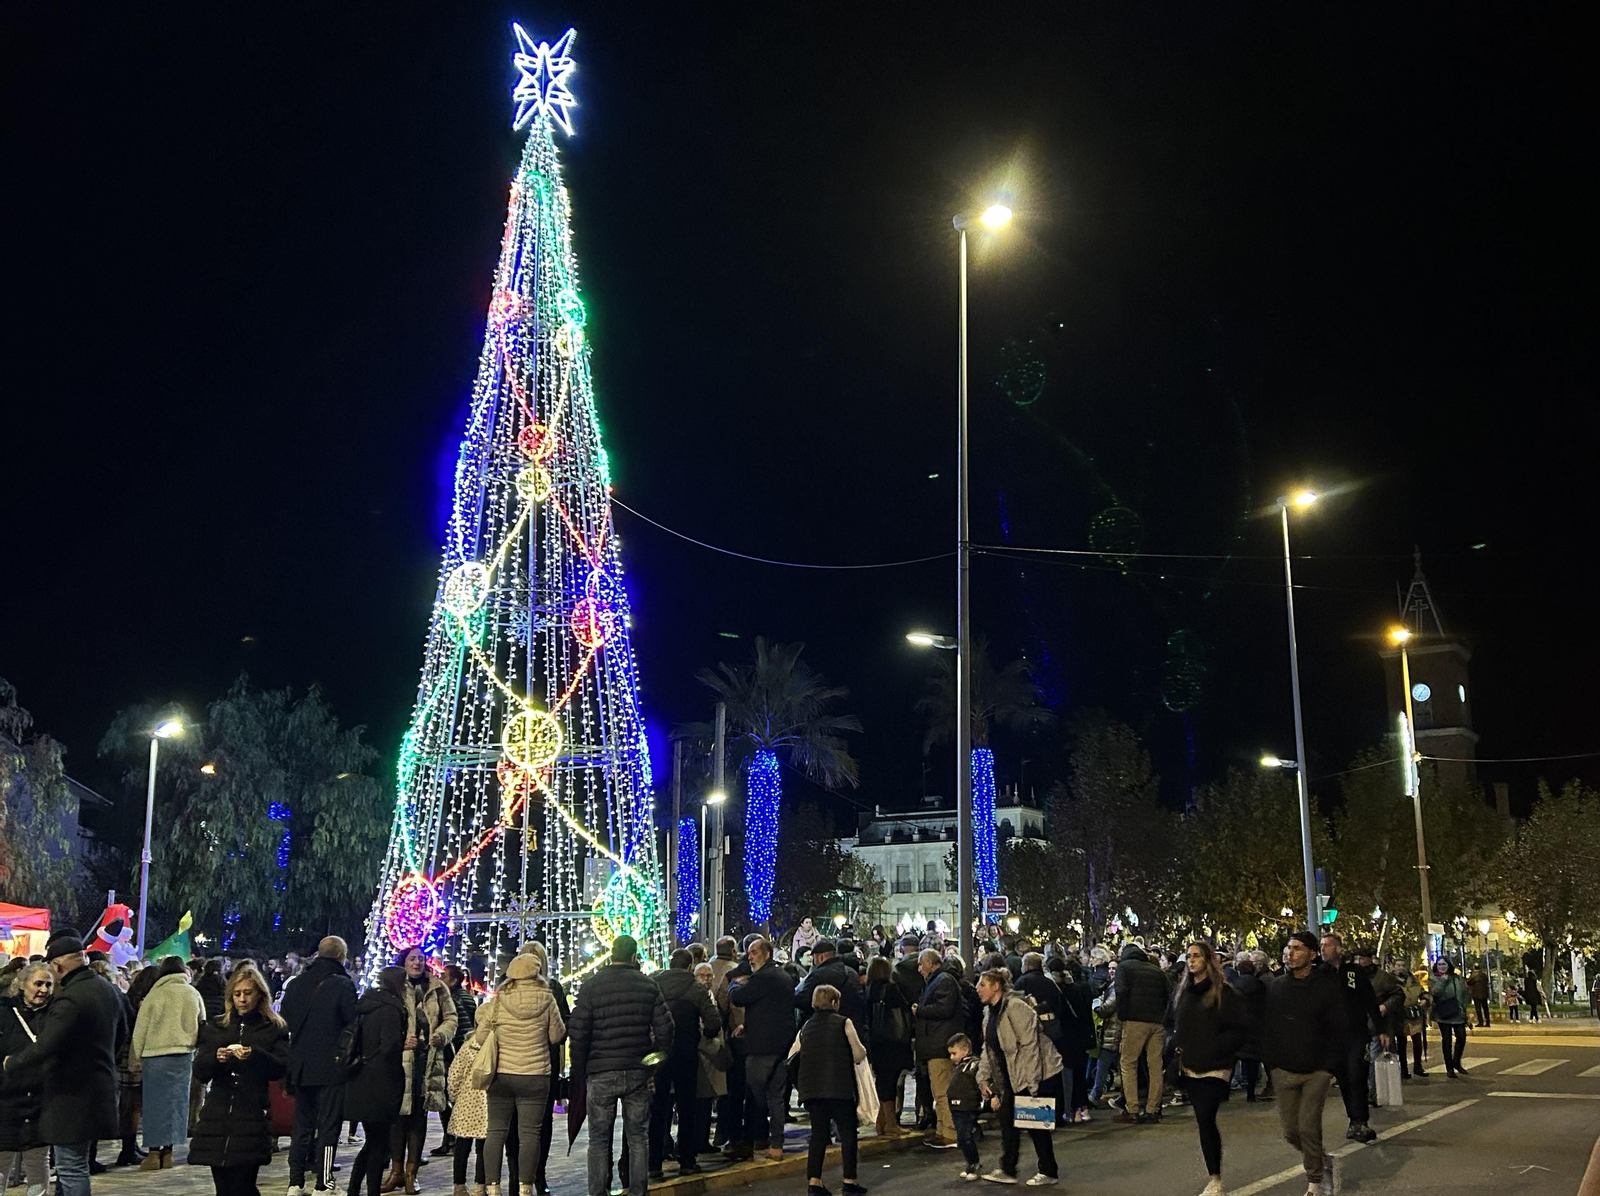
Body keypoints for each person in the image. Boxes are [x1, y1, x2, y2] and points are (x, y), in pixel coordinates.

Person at [1, 929, 123, 1196]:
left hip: (72, 1096)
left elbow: (47, 1045)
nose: (48, 986)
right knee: (74, 1164)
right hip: (99, 1091)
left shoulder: (71, 998)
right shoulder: (108, 989)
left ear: (57, 965)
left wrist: (12, 1063)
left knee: (71, 1168)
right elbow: (122, 1034)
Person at [568, 935, 673, 1196]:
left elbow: (578, 1032)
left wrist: (580, 1071)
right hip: (636, 1069)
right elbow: (666, 1030)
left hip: (600, 1070)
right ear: (634, 956)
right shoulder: (648, 985)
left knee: (599, 1139)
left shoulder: (592, 986)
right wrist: (653, 1063)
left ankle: (598, 1191)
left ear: (611, 952)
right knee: (638, 1137)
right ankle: (638, 1191)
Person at [188, 962, 290, 1195]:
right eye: (237, 994)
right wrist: (217, 1057)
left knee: (243, 1187)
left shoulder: (272, 1028)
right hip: (218, 1114)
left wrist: (255, 1055)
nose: (242, 999)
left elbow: (281, 1067)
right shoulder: (217, 1026)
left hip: (251, 1114)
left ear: (259, 995)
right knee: (223, 1188)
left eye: (247, 993)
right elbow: (201, 1071)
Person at [472, 950, 564, 1196]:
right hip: (535, 1075)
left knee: (495, 1132)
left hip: (501, 1075)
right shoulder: (548, 997)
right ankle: (525, 1188)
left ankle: (492, 1187)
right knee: (530, 1134)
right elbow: (556, 1036)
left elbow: (481, 1037)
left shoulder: (499, 999)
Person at [1263, 931, 1344, 1196]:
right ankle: (1322, 1159)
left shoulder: (1326, 987)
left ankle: (1316, 1180)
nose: (1290, 952)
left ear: (1312, 954)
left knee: (1308, 1126)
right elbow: (1268, 1026)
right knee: (1290, 1130)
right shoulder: (1276, 987)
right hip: (1284, 1069)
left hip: (1317, 1069)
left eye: (1297, 948)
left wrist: (1331, 1067)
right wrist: (1271, 1062)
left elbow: (1339, 1028)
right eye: (1288, 948)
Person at [281, 936, 359, 1196]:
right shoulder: (342, 985)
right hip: (331, 1067)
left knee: (301, 1127)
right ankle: (324, 1183)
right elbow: (352, 1024)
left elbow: (287, 1020)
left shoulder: (297, 984)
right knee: (328, 1127)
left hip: (300, 1065)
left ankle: (295, 1183)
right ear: (341, 956)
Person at [1170, 941, 1247, 1196]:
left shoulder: (1223, 993)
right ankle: (1214, 1176)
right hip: (1190, 1066)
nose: (1192, 961)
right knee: (1203, 1120)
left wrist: (1216, 1048)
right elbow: (1177, 1026)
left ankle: (1215, 1178)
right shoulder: (1184, 993)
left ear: (1208, 960)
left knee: (1205, 1116)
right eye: (1189, 956)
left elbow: (1238, 1030)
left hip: (1214, 1067)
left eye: (1197, 956)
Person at [974, 968, 1061, 1186]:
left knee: (1036, 1125)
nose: (977, 989)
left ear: (996, 986)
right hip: (1010, 1076)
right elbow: (990, 1049)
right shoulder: (990, 1013)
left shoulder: (1015, 1008)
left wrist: (1031, 1083)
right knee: (1008, 1122)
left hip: (1034, 1073)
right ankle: (1008, 1168)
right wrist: (982, 1078)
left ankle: (1048, 1171)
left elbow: (1031, 1047)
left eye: (982, 984)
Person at [385, 947, 458, 1193]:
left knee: (419, 1116)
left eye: (420, 959)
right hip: (400, 1060)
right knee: (397, 1117)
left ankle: (410, 1173)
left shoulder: (437, 988)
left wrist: (441, 1035)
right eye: (412, 959)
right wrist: (399, 1040)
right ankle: (395, 1171)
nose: (417, 962)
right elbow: (384, 1018)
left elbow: (451, 1018)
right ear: (403, 962)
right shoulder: (395, 985)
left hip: (428, 1061)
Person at [787, 985, 868, 1196]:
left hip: (813, 1091)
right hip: (840, 1089)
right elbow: (858, 1054)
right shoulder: (844, 1023)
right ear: (834, 1003)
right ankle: (849, 1180)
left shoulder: (806, 1027)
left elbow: (791, 1057)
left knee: (818, 1136)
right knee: (848, 1133)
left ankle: (814, 1182)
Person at [129, 953, 205, 1171]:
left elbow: (140, 1030)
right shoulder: (193, 994)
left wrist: (135, 1059)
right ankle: (169, 1152)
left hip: (155, 1056)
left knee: (154, 1105)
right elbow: (203, 1024)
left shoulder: (155, 995)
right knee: (176, 1105)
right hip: (184, 1055)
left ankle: (153, 1153)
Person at [649, 949, 718, 1180]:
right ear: (690, 966)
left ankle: (654, 1163)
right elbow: (713, 1021)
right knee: (687, 1106)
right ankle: (687, 1160)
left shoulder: (654, 984)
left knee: (658, 1107)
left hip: (659, 1052)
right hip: (687, 1052)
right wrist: (703, 1034)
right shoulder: (696, 989)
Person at [726, 937, 794, 1163]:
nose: (750, 957)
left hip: (762, 1049)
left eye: (754, 952)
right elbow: (772, 1011)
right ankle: (775, 1144)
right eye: (748, 953)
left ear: (767, 954)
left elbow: (739, 997)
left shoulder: (763, 977)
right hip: (781, 1046)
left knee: (754, 1098)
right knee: (775, 1098)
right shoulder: (783, 977)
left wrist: (735, 983)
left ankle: (751, 1141)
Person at [345, 968, 410, 1196]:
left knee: (372, 1140)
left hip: (360, 1077)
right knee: (378, 1143)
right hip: (381, 1081)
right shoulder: (391, 1009)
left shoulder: (366, 1004)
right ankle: (371, 1191)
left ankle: (354, 1189)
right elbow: (390, 1046)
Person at [0, 962, 54, 1196]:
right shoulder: (4, 1013)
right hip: (6, 1098)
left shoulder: (55, 1016)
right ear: (23, 985)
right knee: (2, 1160)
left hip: (41, 1100)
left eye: (48, 984)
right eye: (38, 983)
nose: (43, 989)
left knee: (38, 1159)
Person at [1113, 941, 1171, 1124]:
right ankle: (1153, 1110)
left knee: (1128, 1063)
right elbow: (1168, 996)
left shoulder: (1124, 968)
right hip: (1157, 1022)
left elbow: (1121, 992)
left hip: (1135, 1021)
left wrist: (1123, 1016)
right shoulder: (1156, 971)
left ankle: (1132, 1109)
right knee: (1155, 1066)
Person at [912, 948, 964, 1150]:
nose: (919, 969)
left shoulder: (943, 981)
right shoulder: (939, 981)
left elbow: (944, 1008)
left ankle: (949, 1133)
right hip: (936, 1044)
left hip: (939, 1045)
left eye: (921, 964)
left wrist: (920, 1010)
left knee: (942, 1092)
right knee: (939, 1092)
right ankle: (942, 1131)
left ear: (932, 963)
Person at [864, 956, 912, 1138]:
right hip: (892, 1042)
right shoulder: (890, 989)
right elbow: (904, 1010)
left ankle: (881, 1122)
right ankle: (890, 1124)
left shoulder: (870, 990)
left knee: (882, 1081)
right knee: (890, 1082)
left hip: (876, 1043)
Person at [435, 964, 478, 1160]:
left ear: (452, 981)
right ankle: (452, 1138)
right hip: (465, 1051)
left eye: (443, 976)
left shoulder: (452, 999)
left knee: (449, 1095)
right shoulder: (466, 996)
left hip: (455, 1052)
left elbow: (460, 1027)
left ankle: (451, 1139)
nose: (440, 978)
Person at [797, 939, 866, 1033]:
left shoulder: (818, 975)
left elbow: (804, 1000)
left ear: (820, 957)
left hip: (826, 1029)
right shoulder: (851, 972)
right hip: (853, 1027)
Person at [944, 1034, 984, 1180]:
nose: (951, 1057)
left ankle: (974, 1164)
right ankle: (971, 1163)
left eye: (954, 1053)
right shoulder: (959, 1067)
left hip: (967, 1106)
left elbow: (982, 1081)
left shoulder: (974, 1065)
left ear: (965, 1050)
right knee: (962, 1137)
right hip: (956, 1106)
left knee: (965, 1136)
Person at [1430, 958, 1470, 1078]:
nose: (1442, 966)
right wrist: (1442, 980)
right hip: (1444, 1013)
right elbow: (1435, 992)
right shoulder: (1434, 978)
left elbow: (1464, 993)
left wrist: (1464, 1008)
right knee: (1446, 1041)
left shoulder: (1457, 978)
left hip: (1458, 1012)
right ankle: (1449, 1068)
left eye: (1444, 964)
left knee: (1461, 1037)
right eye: (1439, 964)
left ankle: (1456, 1062)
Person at [1397, 962, 1430, 1078]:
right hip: (1400, 1016)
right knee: (1401, 1043)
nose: (1401, 967)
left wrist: (1425, 1000)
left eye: (1403, 964)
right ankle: (1404, 1069)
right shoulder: (1391, 980)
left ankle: (1418, 1066)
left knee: (1417, 1041)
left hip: (1414, 1015)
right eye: (1398, 965)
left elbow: (1423, 993)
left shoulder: (1414, 980)